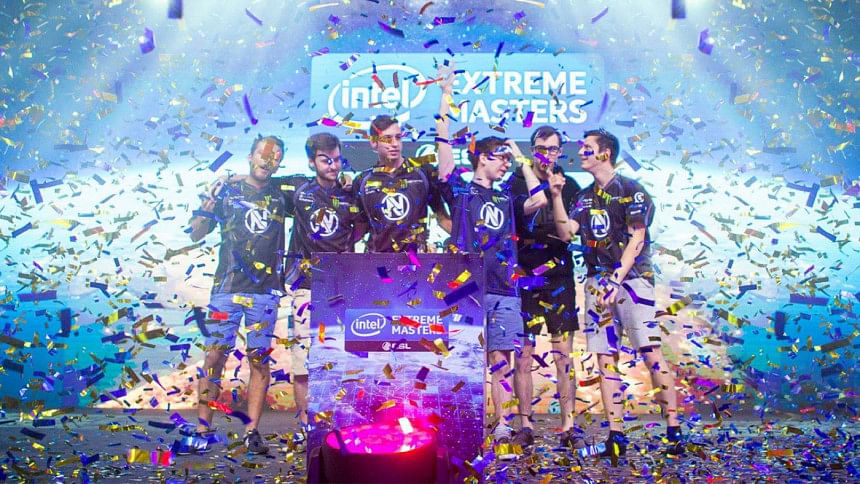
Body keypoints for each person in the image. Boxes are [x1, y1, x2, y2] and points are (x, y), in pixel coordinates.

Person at [549, 128, 682, 458]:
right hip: (597, 283)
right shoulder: (583, 197)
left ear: (605, 153)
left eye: (587, 148)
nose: (581, 152)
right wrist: (556, 196)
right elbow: (566, 234)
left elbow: (637, 238)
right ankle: (616, 435)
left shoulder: (631, 190)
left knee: (650, 352)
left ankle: (674, 429)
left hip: (633, 282)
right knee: (605, 357)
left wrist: (616, 280)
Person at [437, 134, 547, 460]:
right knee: (465, 362)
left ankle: (502, 427)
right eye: (501, 158)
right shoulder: (460, 191)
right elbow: (445, 160)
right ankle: (465, 429)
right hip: (465, 289)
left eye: (508, 160)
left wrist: (519, 156)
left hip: (504, 288)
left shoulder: (506, 197)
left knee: (501, 362)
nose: (506, 164)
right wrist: (444, 109)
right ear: (483, 157)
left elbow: (539, 199)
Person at [185, 135, 288, 455]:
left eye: (275, 157)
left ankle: (252, 432)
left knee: (259, 360)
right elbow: (196, 233)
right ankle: (202, 430)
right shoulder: (225, 191)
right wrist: (207, 204)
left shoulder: (282, 192)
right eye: (263, 154)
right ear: (250, 156)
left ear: (280, 163)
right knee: (214, 356)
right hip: (226, 291)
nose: (268, 161)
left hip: (265, 293)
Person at [276, 133, 365, 440]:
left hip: (341, 288)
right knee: (304, 360)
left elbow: (361, 227)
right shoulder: (298, 189)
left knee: (340, 357)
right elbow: (260, 182)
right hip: (305, 286)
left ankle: (338, 419)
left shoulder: (350, 194)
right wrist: (229, 178)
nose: (333, 166)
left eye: (337, 160)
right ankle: (306, 424)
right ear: (311, 161)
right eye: (326, 160)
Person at [509, 126, 583, 450]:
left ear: (560, 152)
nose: (547, 155)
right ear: (532, 149)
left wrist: (557, 195)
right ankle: (525, 425)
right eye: (541, 148)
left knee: (563, 354)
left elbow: (570, 233)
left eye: (553, 149)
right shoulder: (514, 183)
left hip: (559, 277)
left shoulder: (571, 186)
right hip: (525, 276)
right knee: (523, 356)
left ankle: (569, 424)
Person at [354, 68, 455, 253]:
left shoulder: (423, 172)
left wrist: (473, 244)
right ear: (374, 143)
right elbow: (357, 230)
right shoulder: (362, 181)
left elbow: (443, 218)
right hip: (376, 265)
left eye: (398, 137)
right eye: (387, 139)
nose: (394, 144)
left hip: (415, 263)